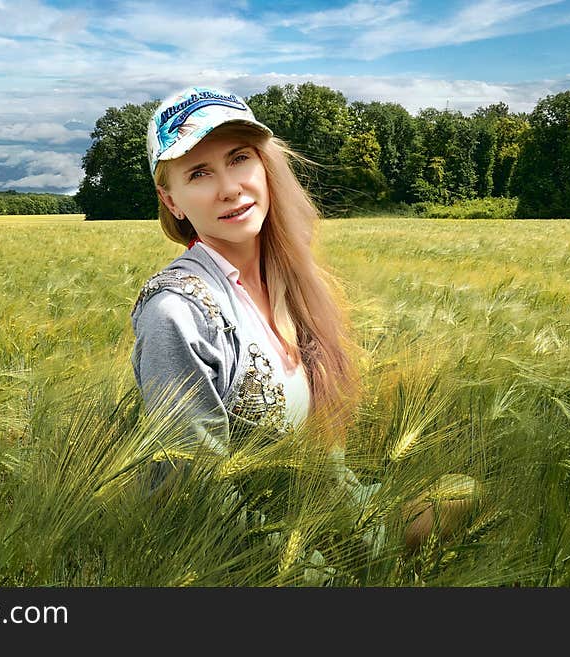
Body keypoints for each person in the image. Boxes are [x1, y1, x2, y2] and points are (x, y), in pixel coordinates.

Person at [130, 86, 475, 554]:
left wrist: (356, 522)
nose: (230, 187)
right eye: (199, 172)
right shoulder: (178, 313)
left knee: (465, 492)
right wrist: (325, 561)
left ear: (264, 166)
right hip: (270, 560)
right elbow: (199, 502)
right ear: (172, 201)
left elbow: (325, 463)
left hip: (340, 518)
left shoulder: (289, 281)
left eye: (238, 158)